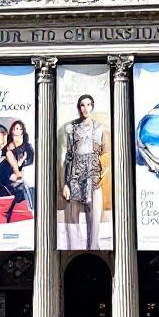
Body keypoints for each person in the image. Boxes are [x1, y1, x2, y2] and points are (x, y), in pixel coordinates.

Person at [61, 93, 106, 249]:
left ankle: (93, 246)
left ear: (92, 106)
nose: (85, 108)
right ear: (78, 108)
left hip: (93, 173)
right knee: (73, 215)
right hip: (75, 173)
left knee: (94, 213)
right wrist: (65, 183)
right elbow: (69, 156)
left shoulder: (99, 127)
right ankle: (74, 247)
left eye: (88, 105)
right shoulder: (71, 128)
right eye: (82, 105)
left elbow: (104, 151)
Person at [0, 120, 34, 223]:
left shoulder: (27, 146)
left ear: (22, 131)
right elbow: (2, 158)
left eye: (19, 128)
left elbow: (30, 159)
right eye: (15, 128)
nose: (17, 130)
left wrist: (22, 162)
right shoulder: (8, 145)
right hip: (9, 172)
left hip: (22, 173)